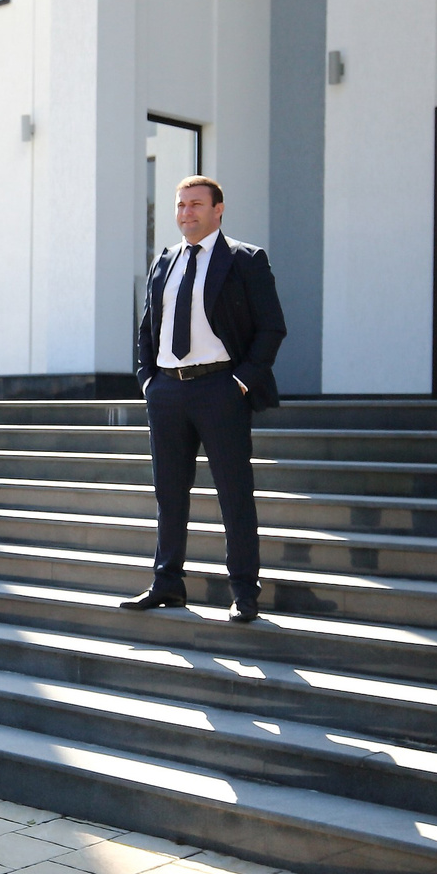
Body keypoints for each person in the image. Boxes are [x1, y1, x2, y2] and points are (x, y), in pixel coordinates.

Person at [123, 176, 287, 623]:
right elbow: (146, 329)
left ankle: (244, 592)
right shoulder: (164, 261)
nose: (185, 213)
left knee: (234, 493)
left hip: (221, 388)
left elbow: (271, 327)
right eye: (179, 206)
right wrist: (148, 380)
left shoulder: (245, 260)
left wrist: (241, 383)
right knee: (169, 493)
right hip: (168, 390)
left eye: (195, 204)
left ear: (218, 210)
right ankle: (167, 584)